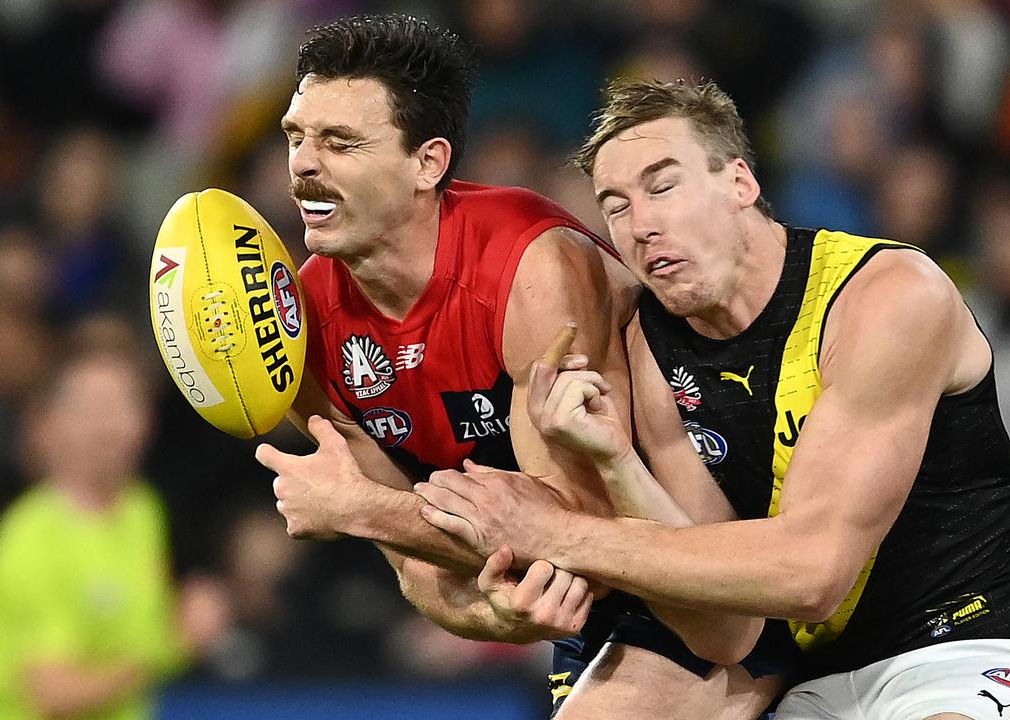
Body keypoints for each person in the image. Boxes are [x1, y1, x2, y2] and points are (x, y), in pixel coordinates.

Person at [414, 78, 1010, 720]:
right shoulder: (650, 347)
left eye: (663, 186)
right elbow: (720, 628)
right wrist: (616, 463)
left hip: (988, 649)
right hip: (820, 683)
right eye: (616, 207)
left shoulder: (886, 296)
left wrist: (555, 532)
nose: (641, 223)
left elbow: (813, 573)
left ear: (741, 183)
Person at [251, 15, 784, 718]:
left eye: (340, 142)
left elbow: (573, 528)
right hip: (597, 599)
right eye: (296, 137)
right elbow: (419, 569)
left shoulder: (528, 270)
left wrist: (359, 509)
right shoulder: (299, 332)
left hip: (708, 550)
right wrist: (490, 617)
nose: (303, 165)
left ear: (428, 163)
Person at [0, 328, 230, 720]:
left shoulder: (144, 511)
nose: (110, 426)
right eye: (93, 407)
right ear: (51, 425)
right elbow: (54, 694)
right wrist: (177, 642)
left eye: (124, 405)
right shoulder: (27, 542)